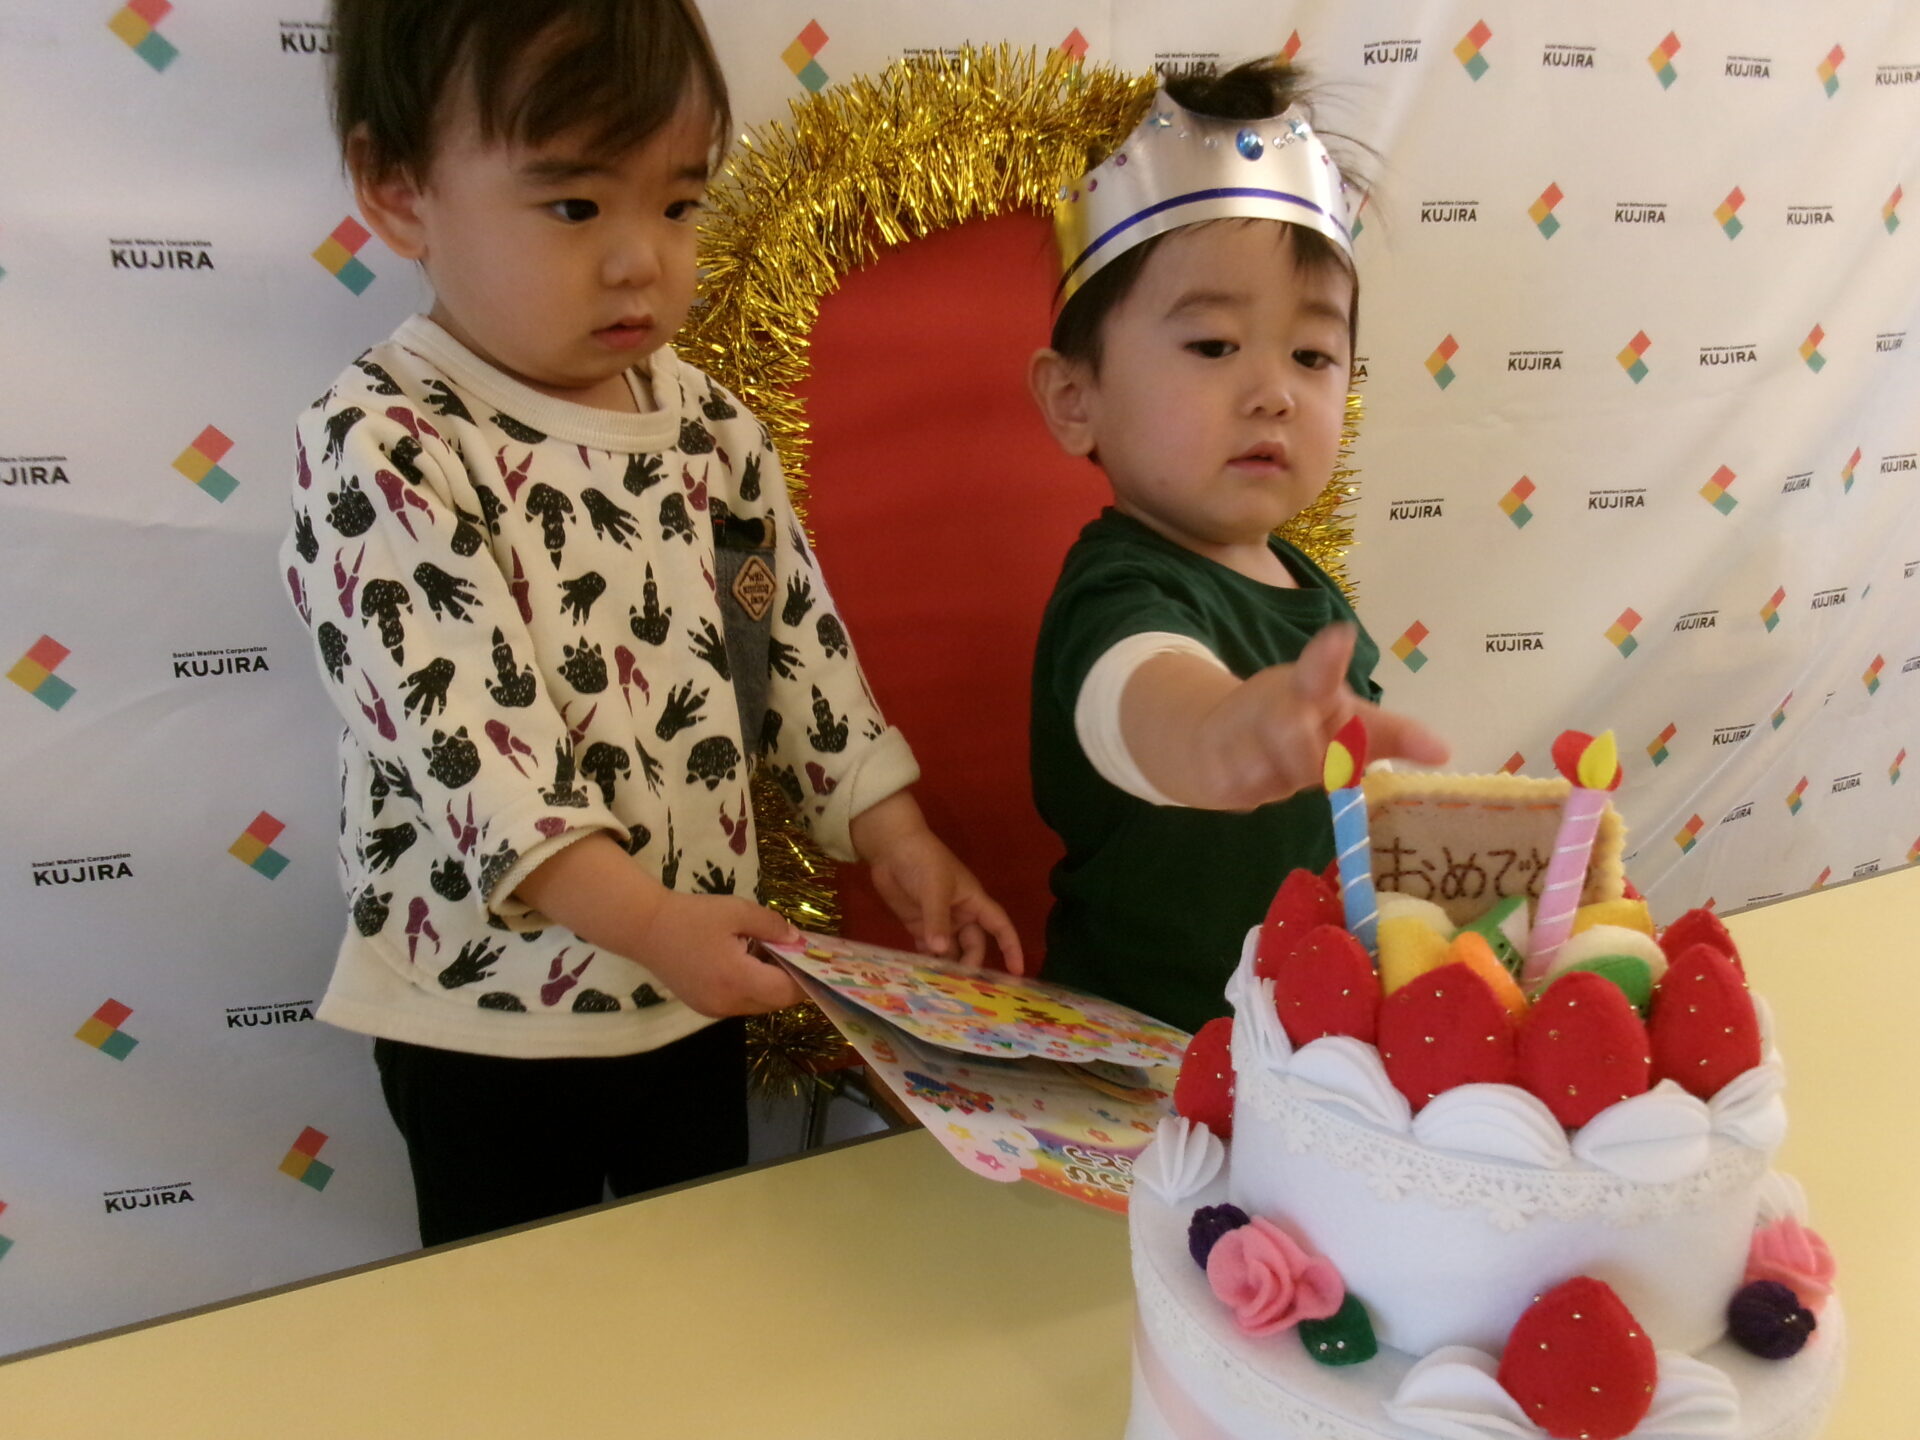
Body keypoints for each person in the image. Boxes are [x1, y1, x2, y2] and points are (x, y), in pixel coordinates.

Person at [282, 0, 1019, 1247]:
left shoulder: (710, 427)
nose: (641, 261)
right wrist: (650, 924)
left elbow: (797, 650)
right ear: (399, 191)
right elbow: (474, 755)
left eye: (679, 203)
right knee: (517, 1308)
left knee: (696, 1275)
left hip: (692, 984)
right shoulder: (384, 444)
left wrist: (894, 835)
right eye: (576, 206)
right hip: (489, 1016)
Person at [1026, 60, 1449, 1034]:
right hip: (1141, 1055)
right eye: (1215, 346)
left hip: (1306, 1051)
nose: (1275, 393)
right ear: (1075, 398)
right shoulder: (1115, 587)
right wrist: (1219, 732)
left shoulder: (1312, 595)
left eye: (1312, 355)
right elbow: (1144, 697)